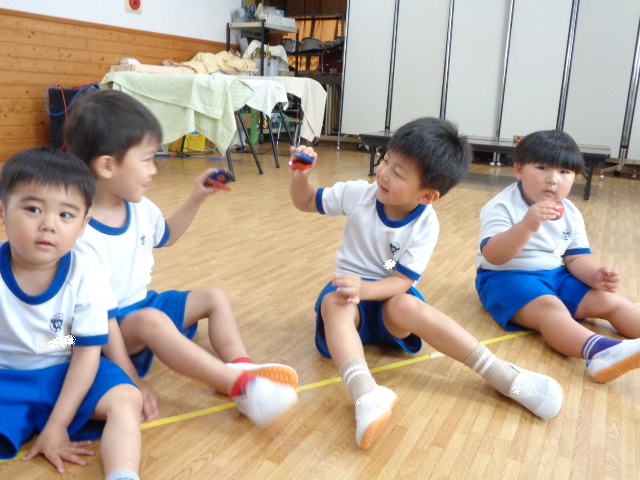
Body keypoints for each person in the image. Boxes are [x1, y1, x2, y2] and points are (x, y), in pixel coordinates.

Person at [288, 117, 564, 450]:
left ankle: (503, 375)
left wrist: (368, 288)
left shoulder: (426, 225)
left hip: (389, 298)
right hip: (352, 298)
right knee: (335, 302)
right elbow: (305, 202)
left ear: (428, 195)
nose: (383, 173)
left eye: (398, 172)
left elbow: (401, 279)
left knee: (406, 303)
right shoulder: (358, 194)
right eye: (386, 160)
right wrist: (300, 177)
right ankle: (366, 394)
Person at [65, 89, 298, 428]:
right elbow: (101, 319)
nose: (154, 170)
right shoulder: (82, 236)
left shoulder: (140, 208)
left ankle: (241, 366)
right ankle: (240, 386)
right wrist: (130, 378)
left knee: (214, 297)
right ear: (107, 165)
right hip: (102, 332)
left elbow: (167, 236)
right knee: (151, 321)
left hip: (141, 307)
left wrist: (196, 198)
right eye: (146, 159)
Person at [0, 148, 143, 480]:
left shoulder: (87, 272)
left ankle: (123, 474)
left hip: (68, 367)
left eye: (66, 214)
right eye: (33, 209)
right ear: (3, 212)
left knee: (126, 399)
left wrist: (58, 424)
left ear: (83, 224)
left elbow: (86, 351)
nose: (48, 225)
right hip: (7, 377)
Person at [475, 129, 640, 383]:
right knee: (551, 310)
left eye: (564, 172)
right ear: (519, 170)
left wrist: (595, 275)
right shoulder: (502, 205)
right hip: (505, 278)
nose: (552, 179)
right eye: (542, 168)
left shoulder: (570, 212)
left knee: (608, 299)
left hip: (555, 276)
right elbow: (494, 255)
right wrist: (526, 226)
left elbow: (576, 257)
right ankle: (600, 352)